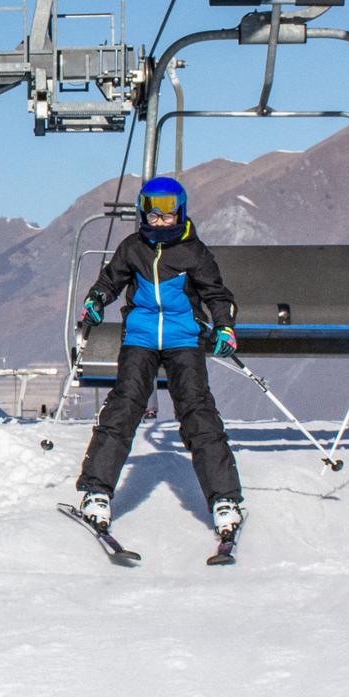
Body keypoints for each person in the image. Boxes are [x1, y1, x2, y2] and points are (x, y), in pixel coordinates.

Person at [75, 176, 244, 538]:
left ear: (180, 213)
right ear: (143, 214)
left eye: (168, 216)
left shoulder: (194, 253)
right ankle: (97, 490)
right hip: (141, 338)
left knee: (197, 410)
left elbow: (217, 294)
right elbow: (109, 282)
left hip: (183, 339)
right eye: (153, 216)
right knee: (125, 405)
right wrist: (96, 302)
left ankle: (224, 498)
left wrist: (224, 327)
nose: (160, 223)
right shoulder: (132, 248)